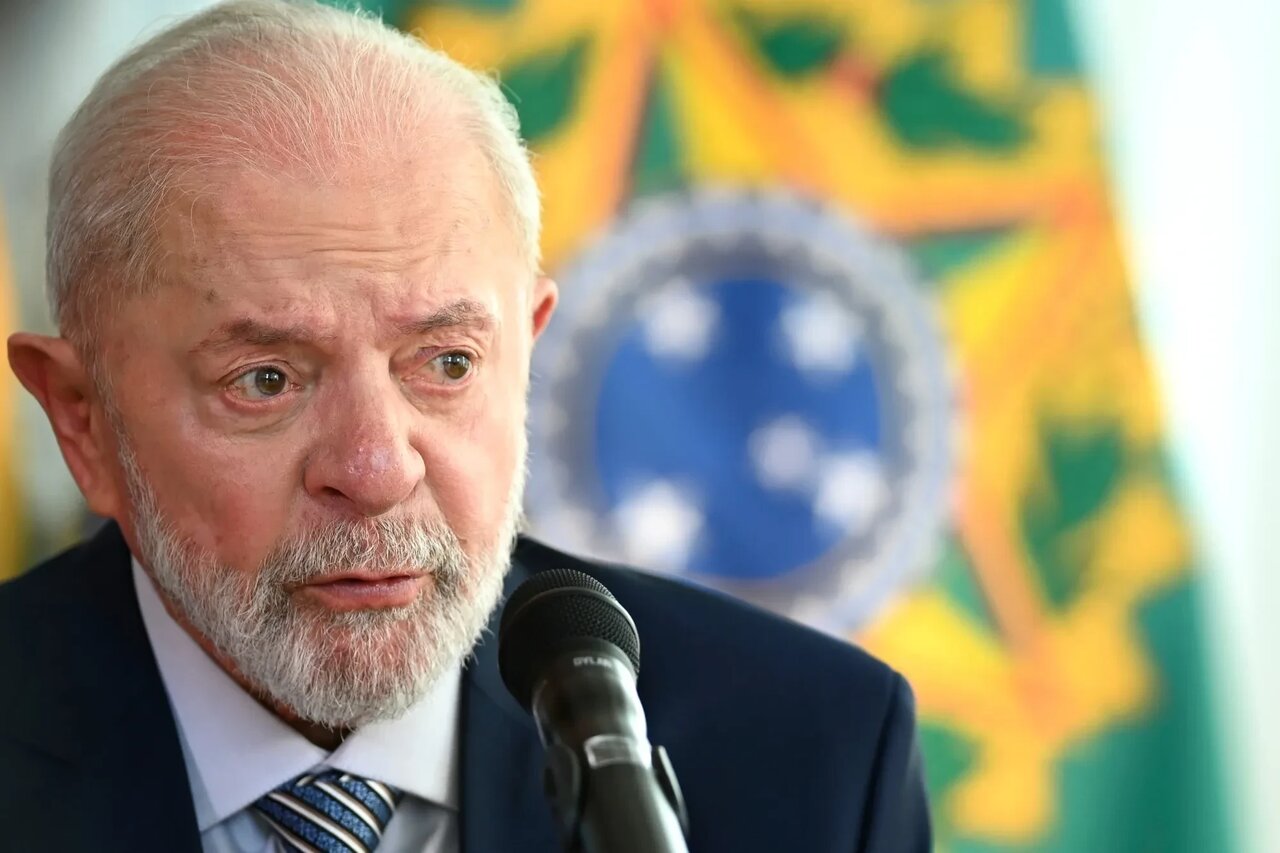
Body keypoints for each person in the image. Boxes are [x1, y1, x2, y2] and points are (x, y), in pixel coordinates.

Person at [0, 1, 931, 850]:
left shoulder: (816, 754)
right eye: (266, 380)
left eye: (446, 363)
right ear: (83, 420)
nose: (377, 469)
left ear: (526, 351)